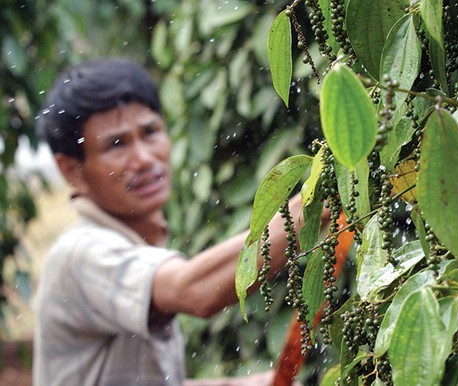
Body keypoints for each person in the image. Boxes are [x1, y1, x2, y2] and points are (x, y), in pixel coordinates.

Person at [33, 59, 314, 386]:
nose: (143, 158)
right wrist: (318, 198)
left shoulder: (133, 243)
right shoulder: (80, 253)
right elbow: (193, 291)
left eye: (150, 132)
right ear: (72, 170)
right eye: (117, 144)